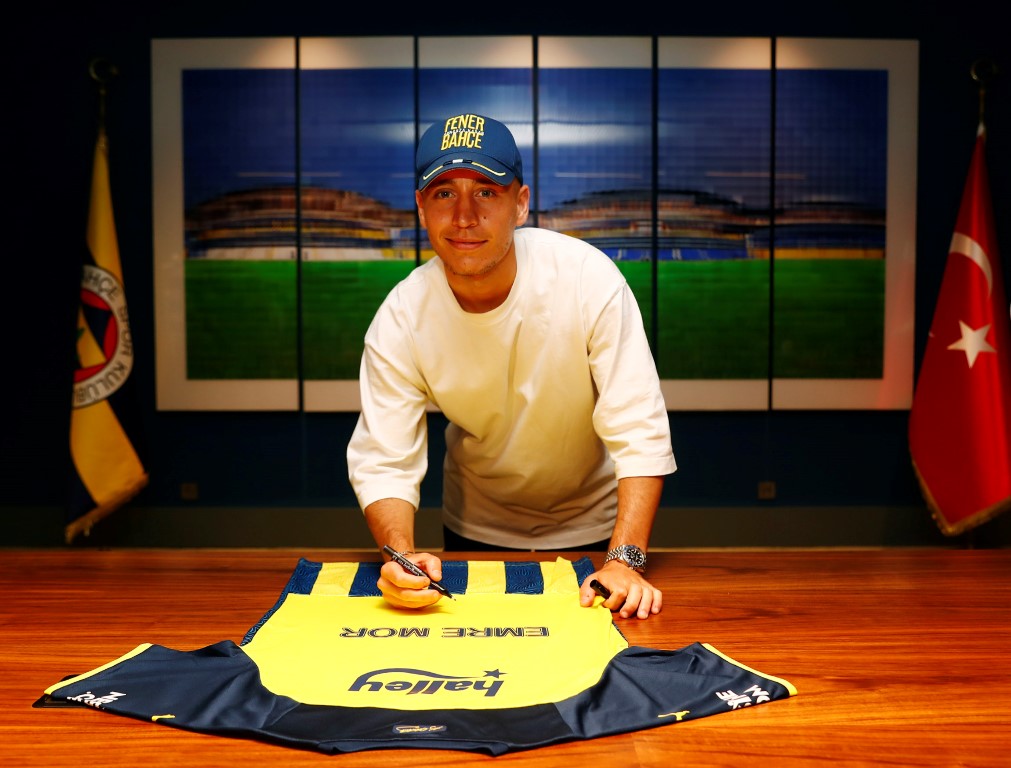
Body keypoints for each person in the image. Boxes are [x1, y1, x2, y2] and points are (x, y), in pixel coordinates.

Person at [347, 112, 677, 619]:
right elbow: (385, 461)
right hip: (476, 528)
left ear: (520, 204)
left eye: (486, 192)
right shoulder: (402, 316)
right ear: (421, 208)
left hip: (598, 532)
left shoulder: (587, 278)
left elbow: (640, 428)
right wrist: (400, 558)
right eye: (444, 193)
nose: (464, 216)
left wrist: (625, 560)